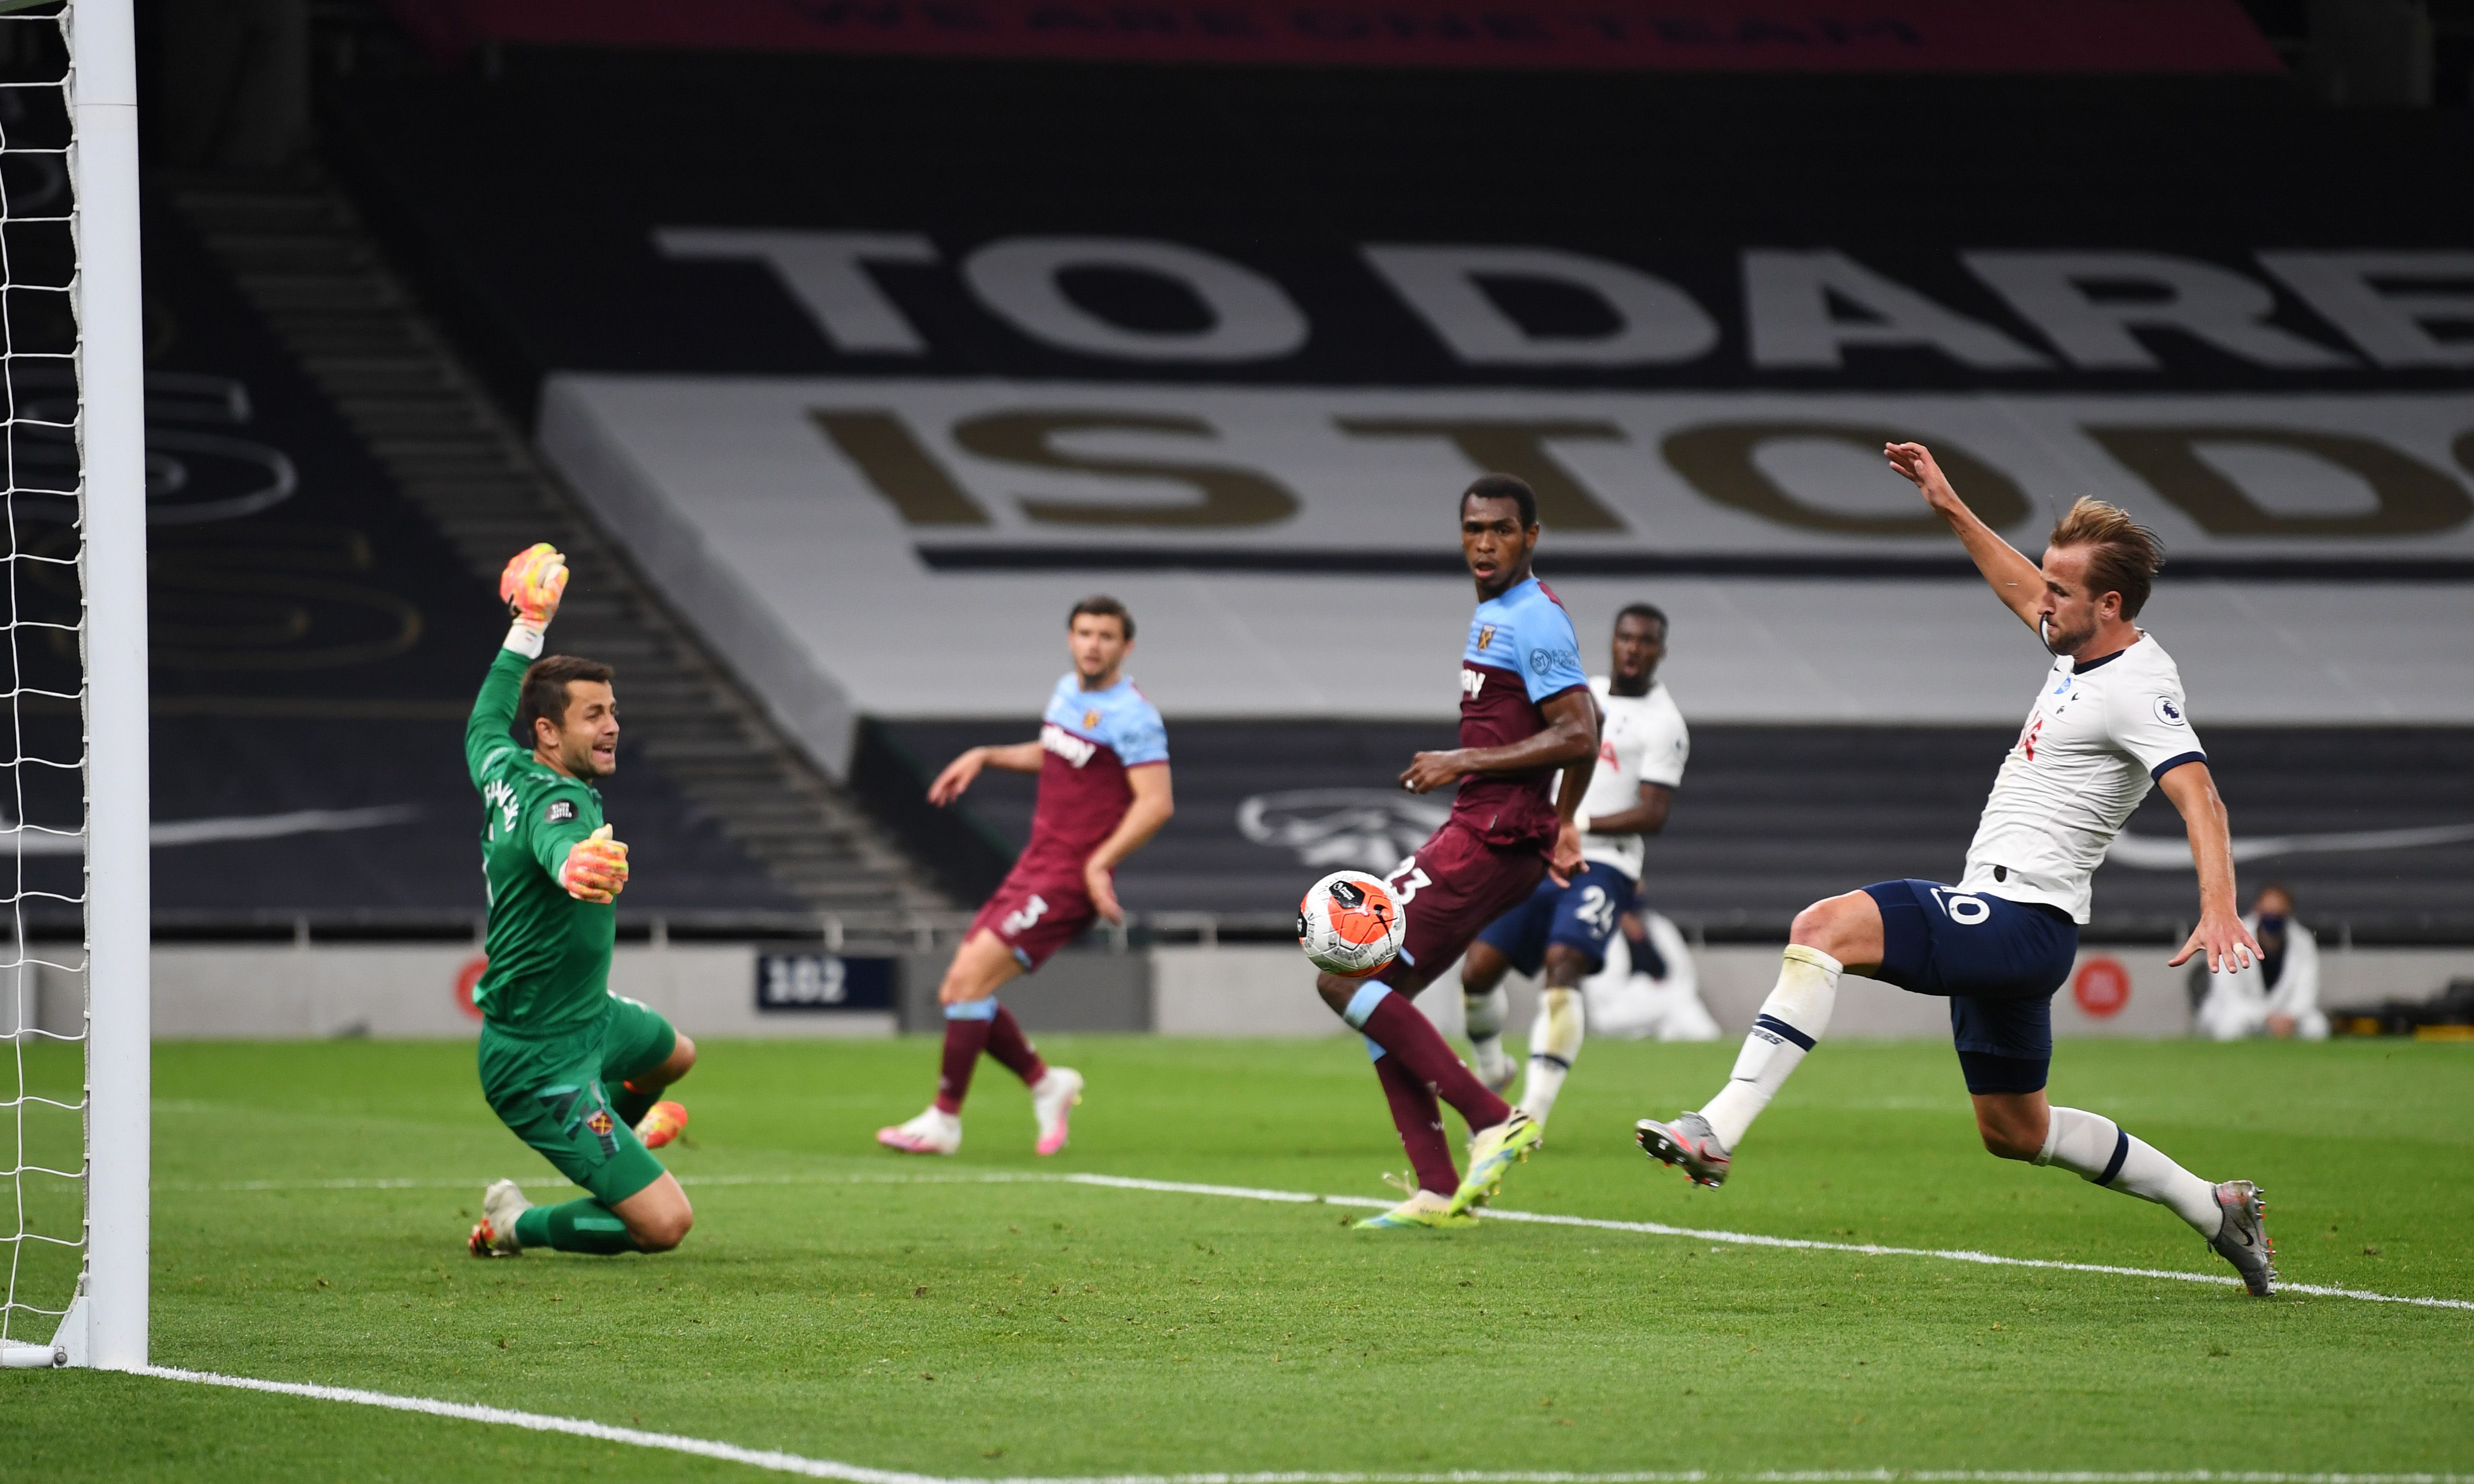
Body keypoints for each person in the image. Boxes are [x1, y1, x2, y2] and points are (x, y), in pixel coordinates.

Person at [1635, 444, 2279, 1297]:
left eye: (2061, 590)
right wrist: (1945, 502)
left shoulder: (2139, 686)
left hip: (2020, 921)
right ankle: (2214, 1206)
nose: (2039, 600)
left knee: (1820, 928)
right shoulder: (2076, 649)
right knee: (2014, 1129)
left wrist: (2218, 904)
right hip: (2009, 923)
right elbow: (2018, 586)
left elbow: (2200, 798)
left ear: (2109, 604)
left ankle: (1716, 1127)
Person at [1322, 472, 1599, 1230]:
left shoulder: (1534, 617)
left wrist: (1460, 761)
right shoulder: (1502, 613)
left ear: (1531, 537)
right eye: (1474, 528)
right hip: (1496, 829)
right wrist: (1565, 821)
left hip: (1489, 834)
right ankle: (1439, 1189)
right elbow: (1583, 720)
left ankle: (1491, 1117)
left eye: (1502, 530)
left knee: (1343, 975)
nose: (1485, 543)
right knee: (1380, 995)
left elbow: (1580, 731)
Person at [466, 544, 698, 1259]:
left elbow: (484, 717)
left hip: (587, 1017)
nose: (611, 724)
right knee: (664, 1226)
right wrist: (573, 868)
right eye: (593, 713)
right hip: (539, 1058)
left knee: (671, 1055)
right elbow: (554, 839)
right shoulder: (559, 801)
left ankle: (614, 1137)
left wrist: (528, 625)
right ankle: (512, 1224)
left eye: (613, 710)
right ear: (548, 731)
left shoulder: (502, 762)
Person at [877, 597, 1172, 1157]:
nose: (1093, 644)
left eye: (1106, 636)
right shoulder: (1067, 692)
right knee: (959, 989)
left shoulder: (1134, 715)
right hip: (1036, 863)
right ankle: (1045, 1082)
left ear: (1126, 647)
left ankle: (945, 1121)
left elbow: (1155, 804)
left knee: (965, 985)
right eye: (1084, 632)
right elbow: (1057, 754)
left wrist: (1097, 861)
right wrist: (986, 754)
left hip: (1067, 877)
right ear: (1070, 637)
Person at [1462, 603, 1688, 1131]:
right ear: (1612, 641)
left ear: (1661, 650)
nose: (1634, 648)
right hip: (1542, 854)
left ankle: (1531, 1114)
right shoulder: (1584, 694)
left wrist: (1575, 821)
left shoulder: (1666, 724)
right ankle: (1493, 1069)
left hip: (1604, 864)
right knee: (1477, 971)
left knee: (1563, 962)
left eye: (1646, 641)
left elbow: (1653, 813)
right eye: (1626, 638)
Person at [2195, 884, 2327, 1041]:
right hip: (2241, 1013)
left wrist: (2289, 1018)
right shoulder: (2232, 937)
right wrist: (2266, 1017)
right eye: (2269, 912)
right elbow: (2230, 995)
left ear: (2289, 913)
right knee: (2231, 1025)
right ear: (2257, 909)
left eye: (2279, 913)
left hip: (2286, 1015)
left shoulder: (2302, 941)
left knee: (2316, 1026)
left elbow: (2306, 992)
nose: (2273, 918)